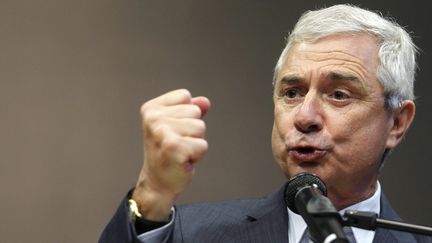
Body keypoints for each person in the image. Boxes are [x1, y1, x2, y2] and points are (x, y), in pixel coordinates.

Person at [99, 4, 432, 243]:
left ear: (397, 123)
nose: (304, 117)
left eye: (339, 94)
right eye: (291, 92)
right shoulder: (191, 233)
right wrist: (153, 192)